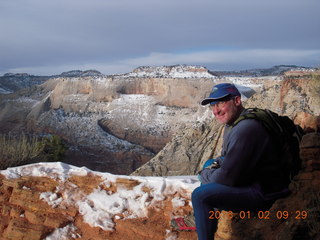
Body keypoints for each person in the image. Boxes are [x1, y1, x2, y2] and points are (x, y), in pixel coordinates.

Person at [192, 83, 291, 240]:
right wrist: (213, 166)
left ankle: (205, 218)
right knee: (208, 164)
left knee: (199, 195)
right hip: (251, 179)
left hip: (264, 191)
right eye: (213, 105)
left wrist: (205, 174)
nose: (215, 111)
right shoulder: (233, 124)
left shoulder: (247, 128)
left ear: (237, 101)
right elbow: (227, 157)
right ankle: (208, 215)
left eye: (221, 103)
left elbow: (228, 178)